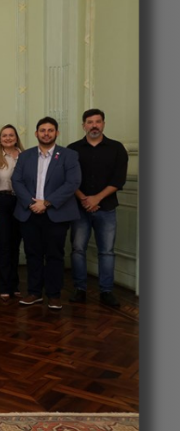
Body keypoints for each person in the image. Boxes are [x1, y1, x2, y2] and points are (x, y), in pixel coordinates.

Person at [12, 116, 81, 311]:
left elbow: (72, 183)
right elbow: (17, 181)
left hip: (56, 213)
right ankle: (34, 292)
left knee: (54, 255)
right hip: (29, 212)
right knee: (32, 254)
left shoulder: (68, 155)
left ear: (57, 133)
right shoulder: (25, 156)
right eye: (42, 130)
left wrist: (47, 203)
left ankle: (54, 294)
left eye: (50, 130)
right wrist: (31, 203)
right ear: (36, 133)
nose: (46, 133)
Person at [67, 109, 129, 308]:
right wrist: (85, 199)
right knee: (77, 250)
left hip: (107, 207)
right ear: (83, 125)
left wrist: (96, 199)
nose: (94, 125)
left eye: (98, 121)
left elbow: (119, 180)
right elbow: (69, 180)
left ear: (103, 124)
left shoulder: (117, 148)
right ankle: (80, 289)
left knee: (107, 252)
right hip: (79, 208)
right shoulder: (72, 149)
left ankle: (106, 292)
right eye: (90, 122)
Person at [0, 125, 25, 302]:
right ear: (0, 139)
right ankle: (4, 286)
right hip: (1, 202)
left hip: (21, 203)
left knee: (16, 245)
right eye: (4, 135)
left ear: (16, 138)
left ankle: (14, 285)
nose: (8, 138)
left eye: (11, 135)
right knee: (4, 245)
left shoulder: (26, 157)